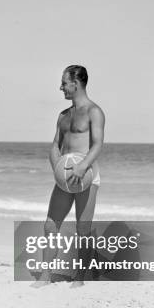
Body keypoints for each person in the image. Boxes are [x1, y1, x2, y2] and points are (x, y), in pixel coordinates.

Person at [35, 65, 105, 288]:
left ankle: (80, 277)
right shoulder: (63, 115)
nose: (61, 87)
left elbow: (97, 145)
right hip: (64, 178)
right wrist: (57, 168)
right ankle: (46, 276)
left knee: (82, 228)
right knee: (50, 225)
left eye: (64, 83)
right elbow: (55, 145)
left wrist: (83, 166)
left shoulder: (94, 111)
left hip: (86, 176)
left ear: (76, 83)